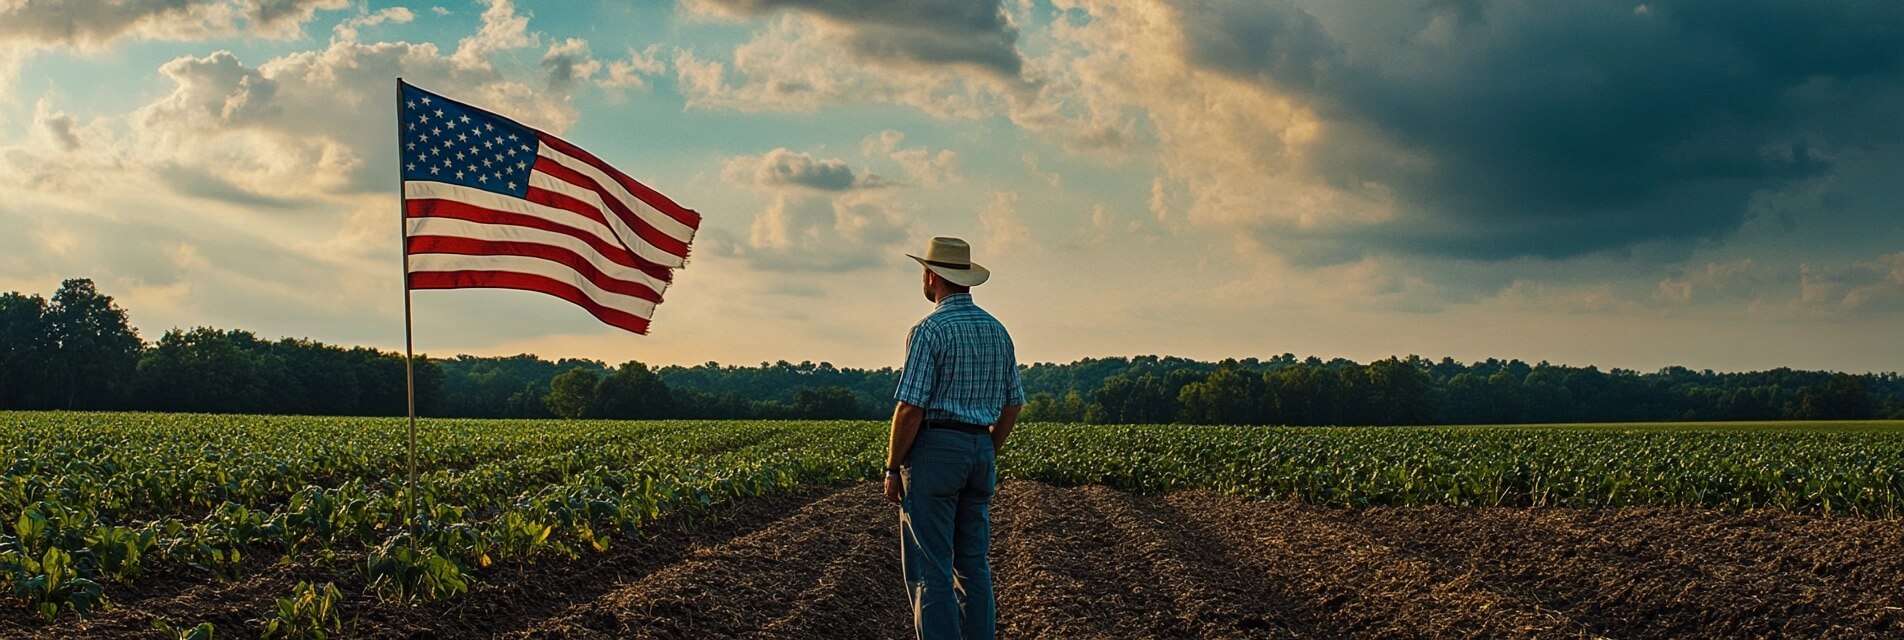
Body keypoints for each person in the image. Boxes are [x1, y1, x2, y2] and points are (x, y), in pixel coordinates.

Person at [884, 236, 1024, 640]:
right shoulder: (998, 331)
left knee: (932, 568)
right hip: (981, 448)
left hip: (935, 454)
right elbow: (1013, 404)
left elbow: (910, 407)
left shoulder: (929, 330)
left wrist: (893, 466)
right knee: (974, 565)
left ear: (932, 276)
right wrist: (987, 448)